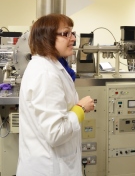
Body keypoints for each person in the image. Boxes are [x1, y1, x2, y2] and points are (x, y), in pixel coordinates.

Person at [17, 13, 95, 176]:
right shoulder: (46, 73)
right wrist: (80, 108)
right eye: (66, 33)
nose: (73, 38)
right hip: (50, 168)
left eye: (72, 33)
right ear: (47, 38)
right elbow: (56, 133)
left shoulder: (52, 67)